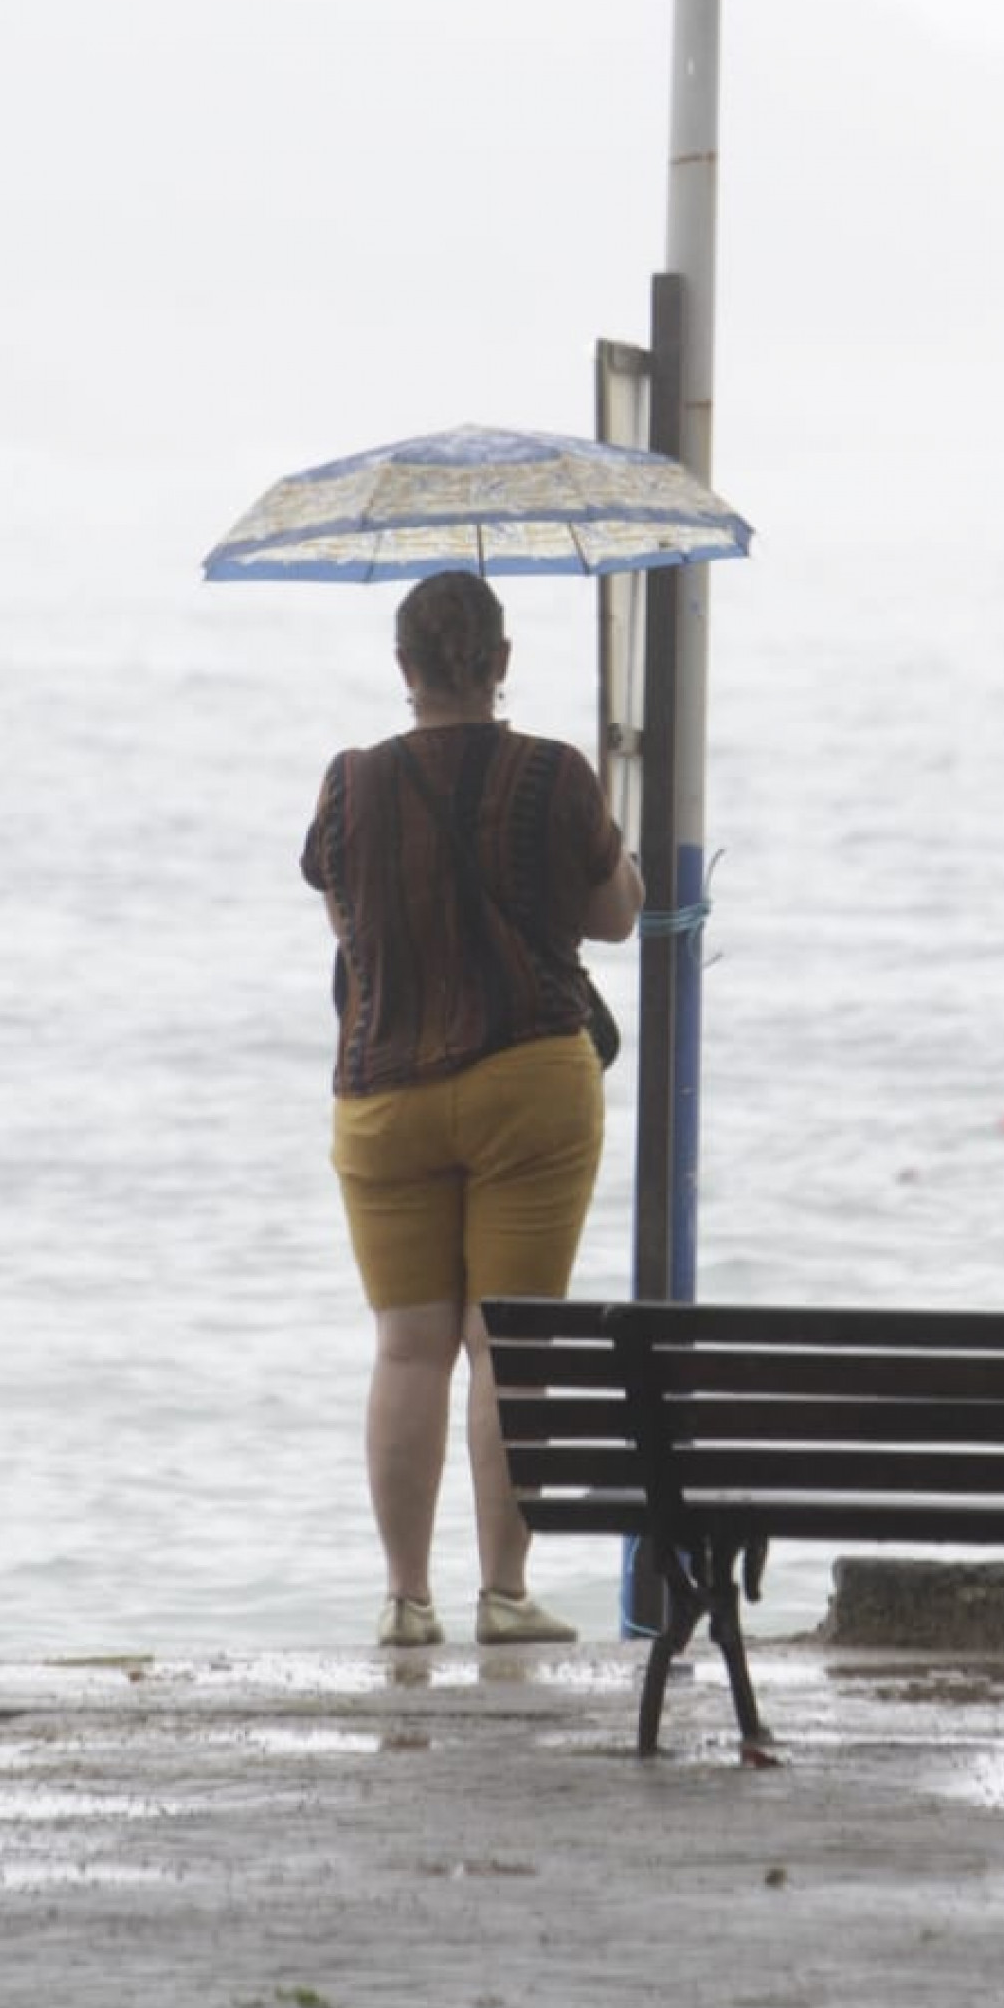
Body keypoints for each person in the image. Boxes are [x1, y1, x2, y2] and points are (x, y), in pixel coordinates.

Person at [301, 570, 643, 1648]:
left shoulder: (351, 783)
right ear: (500, 662)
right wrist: (612, 841)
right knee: (509, 1347)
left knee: (408, 1347)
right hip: (529, 1083)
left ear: (405, 670)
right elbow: (615, 917)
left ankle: (407, 1600)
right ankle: (503, 1593)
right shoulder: (554, 773)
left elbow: (344, 917)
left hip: (384, 1091)